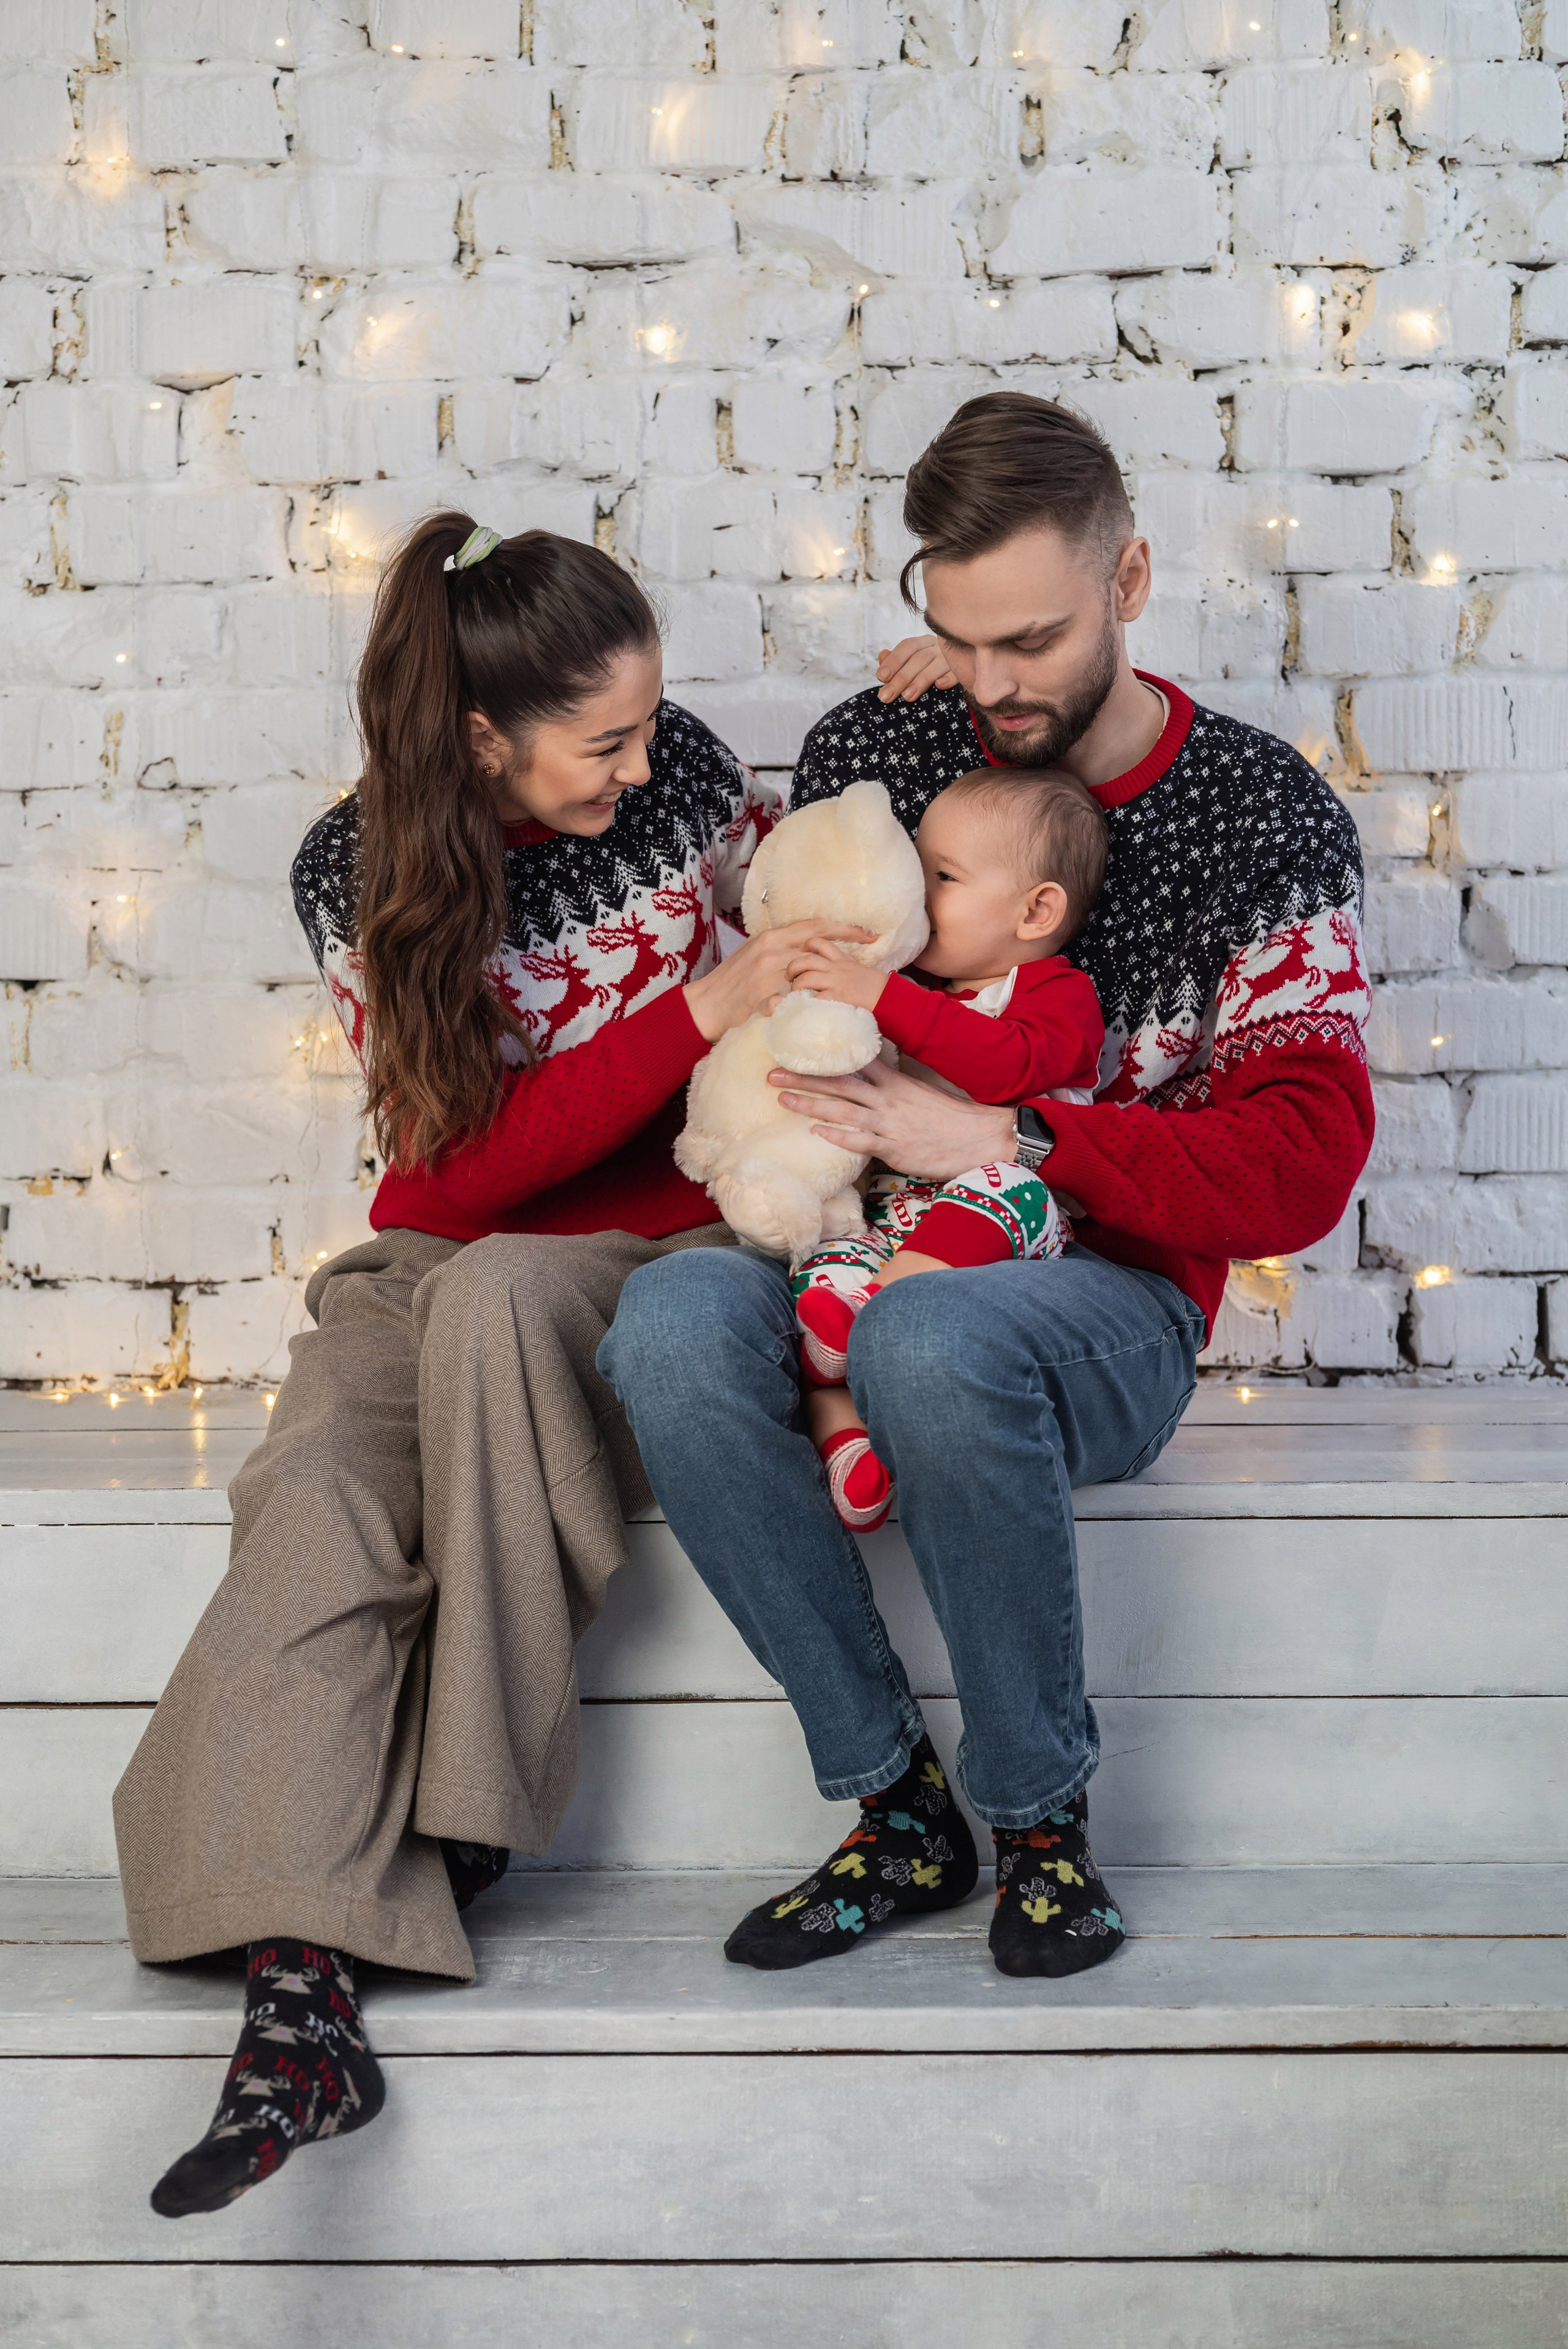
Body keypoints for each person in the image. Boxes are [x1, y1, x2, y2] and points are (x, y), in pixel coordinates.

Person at [113, 512, 859, 2217]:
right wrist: (692, 1010)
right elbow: (439, 1180)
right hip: (452, 1246)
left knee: (502, 1309)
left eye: (651, 722)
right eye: (604, 738)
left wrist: (901, 700)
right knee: (317, 1479)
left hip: (655, 1241)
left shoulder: (688, 802)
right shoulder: (353, 872)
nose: (646, 761)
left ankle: (462, 1827)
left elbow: (850, 861)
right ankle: (300, 2010)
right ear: (478, 737)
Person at [599, 391, 1373, 1981]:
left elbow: (1298, 1169)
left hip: (1101, 1289)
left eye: (1031, 639)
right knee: (668, 1324)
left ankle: (1040, 1825)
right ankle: (895, 1807)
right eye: (958, 635)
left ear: (1131, 581)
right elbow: (786, 980)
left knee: (936, 1342)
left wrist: (1015, 1145)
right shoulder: (881, 744)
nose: (993, 686)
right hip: (853, 1219)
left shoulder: (1262, 819)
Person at [788, 763, 1107, 1534]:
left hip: (1000, 1223)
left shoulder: (1055, 993)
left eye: (942, 876)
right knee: (816, 1269)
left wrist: (880, 996)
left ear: (1035, 911)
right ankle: (848, 1443)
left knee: (1006, 1187)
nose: (916, 894)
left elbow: (1006, 1065)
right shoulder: (914, 991)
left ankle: (868, 1318)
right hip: (893, 1214)